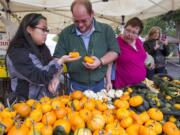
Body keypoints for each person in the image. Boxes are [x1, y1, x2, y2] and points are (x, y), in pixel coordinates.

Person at [6, 13, 80, 100]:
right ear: (29, 29)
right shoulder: (17, 52)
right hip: (24, 104)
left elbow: (50, 69)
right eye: (43, 29)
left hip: (43, 104)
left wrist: (55, 78)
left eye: (46, 30)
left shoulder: (42, 48)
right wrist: (61, 61)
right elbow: (40, 76)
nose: (46, 33)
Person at [53, 0, 119, 93]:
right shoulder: (65, 33)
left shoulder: (106, 30)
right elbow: (57, 58)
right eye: (76, 21)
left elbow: (114, 51)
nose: (80, 25)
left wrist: (100, 62)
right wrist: (55, 77)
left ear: (92, 13)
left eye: (84, 20)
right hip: (75, 85)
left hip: (99, 85)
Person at [110, 17, 147, 89]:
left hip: (140, 84)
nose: (129, 34)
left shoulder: (139, 42)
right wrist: (108, 81)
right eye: (128, 30)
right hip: (124, 86)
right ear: (124, 28)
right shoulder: (116, 43)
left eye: (134, 33)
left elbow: (140, 57)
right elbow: (109, 64)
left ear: (138, 35)